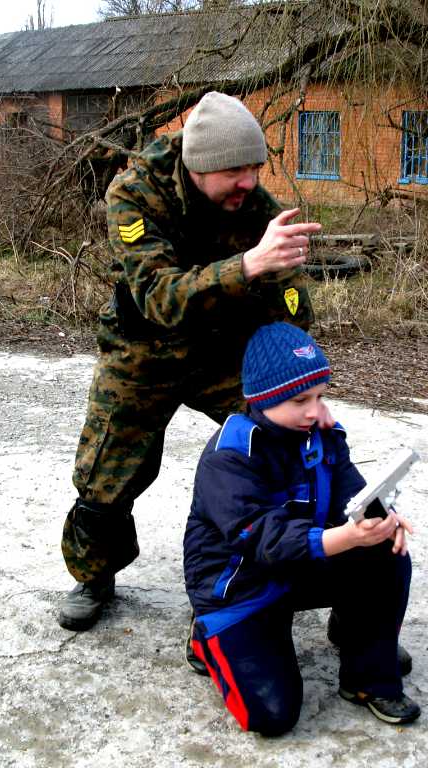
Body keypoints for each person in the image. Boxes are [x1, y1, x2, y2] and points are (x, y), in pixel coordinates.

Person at [58, 91, 327, 632]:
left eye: (255, 167)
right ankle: (94, 573)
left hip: (221, 351)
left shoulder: (258, 208)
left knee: (293, 443)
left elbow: (291, 301)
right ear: (199, 166)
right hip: (144, 349)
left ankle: (313, 571)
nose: (248, 182)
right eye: (234, 170)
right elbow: (158, 297)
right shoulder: (135, 193)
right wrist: (249, 264)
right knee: (106, 474)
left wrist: (291, 373)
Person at [184, 322, 420, 735]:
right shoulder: (229, 456)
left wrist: (382, 517)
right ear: (261, 399)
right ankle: (208, 637)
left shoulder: (322, 434)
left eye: (320, 396)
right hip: (242, 585)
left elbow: (351, 492)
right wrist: (344, 538)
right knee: (272, 717)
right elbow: (259, 537)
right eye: (300, 400)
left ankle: (368, 673)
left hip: (299, 562)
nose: (315, 411)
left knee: (387, 551)